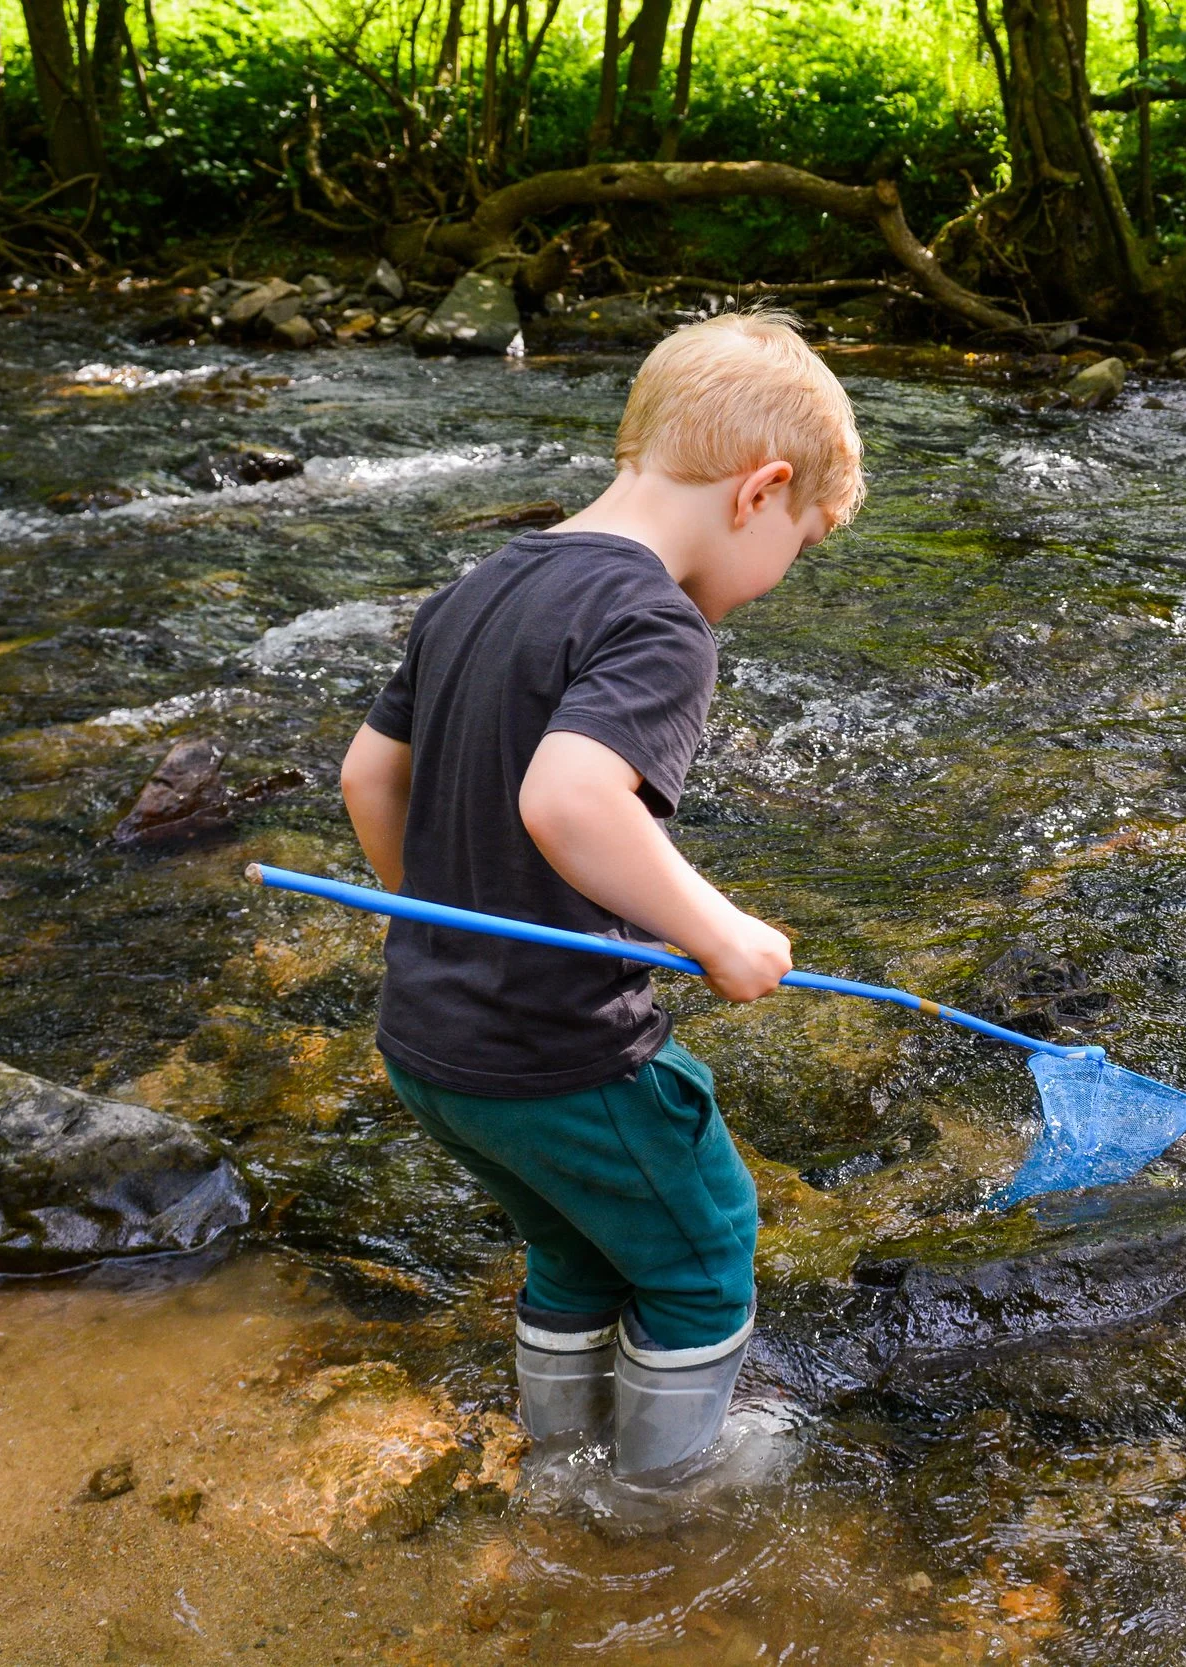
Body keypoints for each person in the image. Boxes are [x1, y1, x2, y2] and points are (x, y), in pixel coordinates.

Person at [337, 310, 862, 1480]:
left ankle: (558, 1462)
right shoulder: (655, 620)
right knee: (702, 1245)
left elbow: (369, 775)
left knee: (570, 1249)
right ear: (760, 489)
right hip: (561, 1048)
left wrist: (435, 923)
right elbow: (572, 801)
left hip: (430, 1042)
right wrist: (718, 929)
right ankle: (656, 1503)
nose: (781, 577)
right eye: (804, 541)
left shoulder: (475, 587)